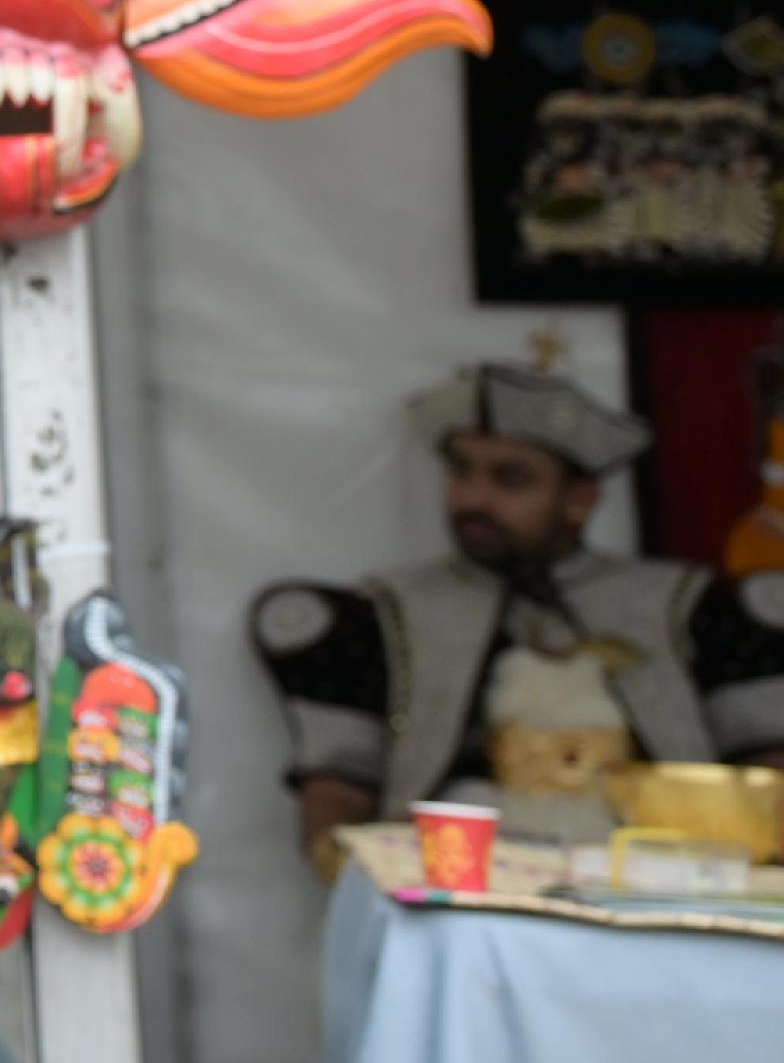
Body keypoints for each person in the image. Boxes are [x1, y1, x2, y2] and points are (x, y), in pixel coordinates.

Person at [254, 361, 784, 861]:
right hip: (458, 898)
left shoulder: (684, 607)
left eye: (510, 479)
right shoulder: (387, 613)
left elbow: (767, 767)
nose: (473, 499)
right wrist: (347, 864)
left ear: (580, 499)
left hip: (654, 893)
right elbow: (338, 782)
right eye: (461, 472)